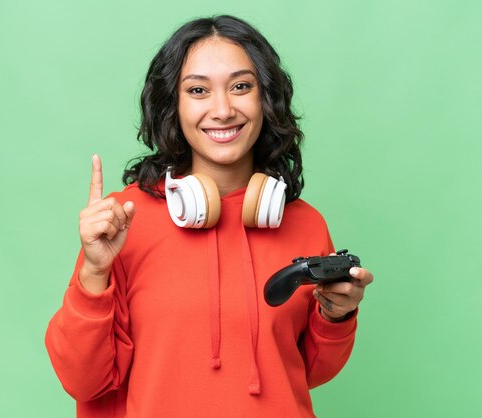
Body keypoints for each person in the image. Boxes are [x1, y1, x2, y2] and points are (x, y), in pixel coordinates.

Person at [45, 15, 373, 418]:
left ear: (265, 98)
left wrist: (336, 315)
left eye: (240, 86)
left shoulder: (304, 223)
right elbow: (83, 381)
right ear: (173, 104)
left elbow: (310, 371)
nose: (222, 109)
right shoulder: (122, 221)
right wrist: (94, 274)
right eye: (198, 90)